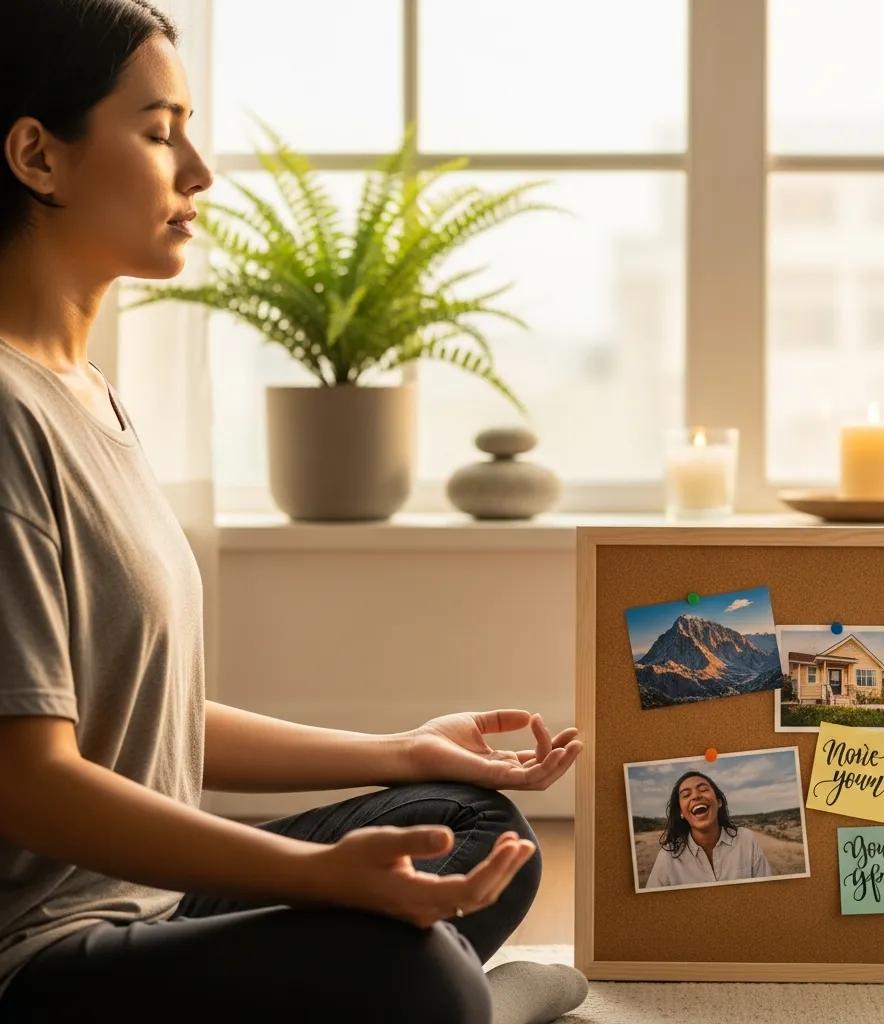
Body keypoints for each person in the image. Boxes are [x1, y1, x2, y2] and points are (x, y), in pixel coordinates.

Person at [0, 3, 587, 1021]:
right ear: (37, 157)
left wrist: (404, 751)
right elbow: (33, 783)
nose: (199, 170)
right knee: (418, 977)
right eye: (156, 129)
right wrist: (315, 876)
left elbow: (148, 721)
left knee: (478, 826)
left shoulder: (89, 396)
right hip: (42, 954)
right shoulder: (6, 413)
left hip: (158, 906)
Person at [644, 770, 772, 889]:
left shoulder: (746, 839)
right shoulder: (667, 857)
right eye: (686, 795)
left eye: (703, 789)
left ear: (719, 801)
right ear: (681, 813)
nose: (696, 796)